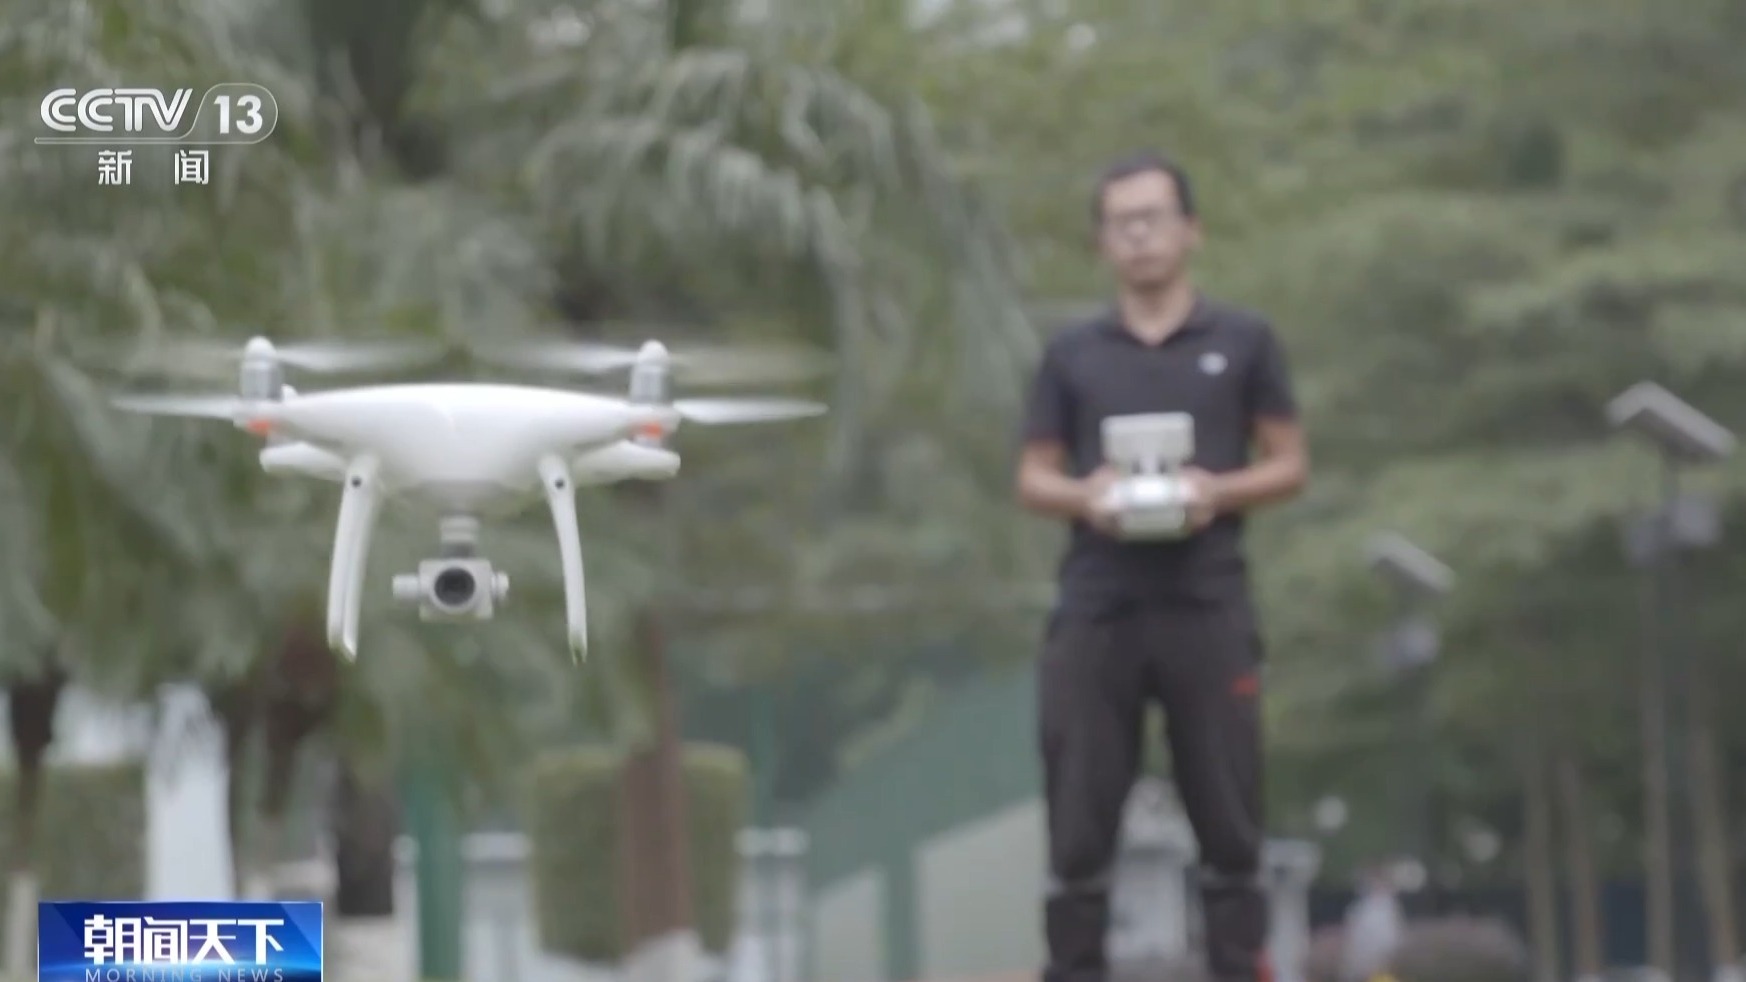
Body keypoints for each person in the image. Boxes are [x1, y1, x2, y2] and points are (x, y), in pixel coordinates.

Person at [1015, 150, 1310, 982]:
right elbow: (1033, 477)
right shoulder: (1074, 353)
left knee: (1229, 824)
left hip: (1206, 602)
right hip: (1098, 606)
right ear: (1101, 240)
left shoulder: (1243, 341)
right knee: (1078, 828)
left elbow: (1290, 463)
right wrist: (1089, 497)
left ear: (1190, 230)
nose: (1140, 235)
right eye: (1122, 223)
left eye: (1153, 218)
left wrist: (1217, 490)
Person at [1339, 865, 1405, 982]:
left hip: (1384, 952)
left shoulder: (1390, 906)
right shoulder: (1360, 907)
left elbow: (1396, 930)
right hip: (1364, 953)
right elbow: (1352, 931)